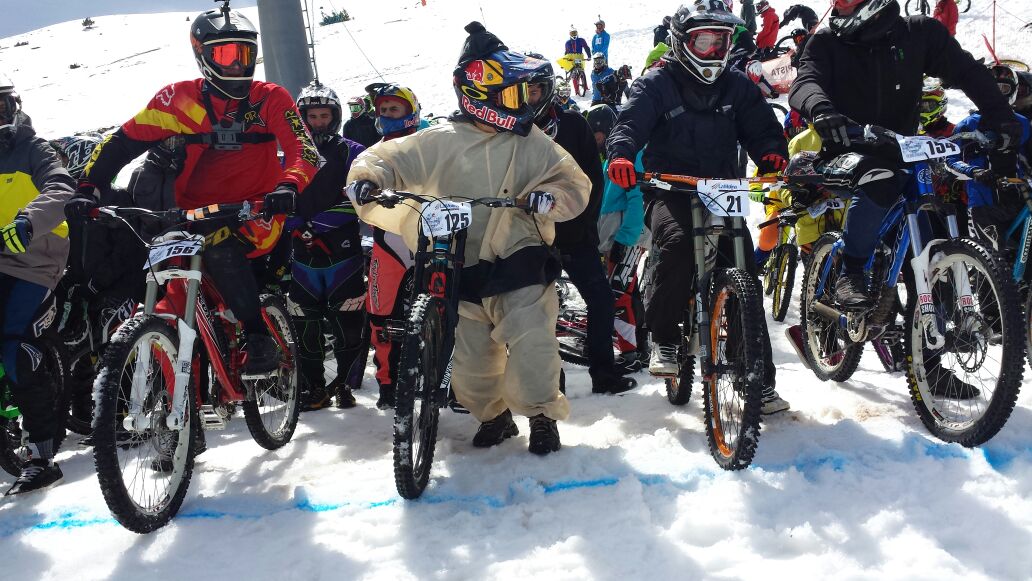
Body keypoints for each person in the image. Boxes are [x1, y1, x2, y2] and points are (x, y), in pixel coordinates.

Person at [347, 22, 590, 455]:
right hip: (458, 259)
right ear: (480, 94)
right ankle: (493, 416)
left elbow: (573, 185)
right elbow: (387, 159)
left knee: (533, 339)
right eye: (512, 95)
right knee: (469, 359)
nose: (523, 105)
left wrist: (548, 198)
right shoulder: (439, 139)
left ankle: (540, 417)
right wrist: (369, 179)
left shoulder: (533, 143)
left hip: (520, 254)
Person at [66, 3, 318, 377]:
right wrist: (88, 187)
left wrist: (288, 184)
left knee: (217, 242)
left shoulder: (270, 98)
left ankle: (256, 335)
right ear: (202, 55)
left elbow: (304, 150)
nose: (237, 65)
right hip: (186, 216)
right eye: (225, 54)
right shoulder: (177, 99)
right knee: (149, 264)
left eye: (245, 53)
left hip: (256, 212)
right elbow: (121, 143)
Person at [606, 2, 791, 414]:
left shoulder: (737, 85)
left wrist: (772, 153)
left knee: (743, 271)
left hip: (721, 188)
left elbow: (762, 127)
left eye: (720, 41)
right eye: (703, 41)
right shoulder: (656, 83)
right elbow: (630, 123)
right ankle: (666, 339)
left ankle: (758, 378)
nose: (712, 51)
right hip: (669, 186)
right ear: (682, 41)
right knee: (675, 243)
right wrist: (620, 154)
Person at [788, 0, 1021, 312]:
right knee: (880, 176)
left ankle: (928, 332)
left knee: (929, 218)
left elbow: (967, 72)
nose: (838, 6)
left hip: (902, 150)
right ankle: (851, 272)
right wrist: (822, 110)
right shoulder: (826, 41)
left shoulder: (918, 32)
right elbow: (805, 82)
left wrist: (1001, 117)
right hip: (846, 149)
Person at [525, 54, 636, 394]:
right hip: (529, 239)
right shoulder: (510, 129)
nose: (530, 98)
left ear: (547, 89)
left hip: (574, 236)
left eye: (535, 90)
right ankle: (548, 387)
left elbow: (593, 179)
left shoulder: (574, 123)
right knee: (535, 313)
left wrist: (586, 224)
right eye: (523, 91)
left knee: (601, 301)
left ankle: (604, 375)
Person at [0, 72, 75, 495]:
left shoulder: (33, 148)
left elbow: (61, 186)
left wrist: (29, 222)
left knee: (16, 341)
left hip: (33, 259)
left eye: (0, 107)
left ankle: (42, 455)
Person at [290, 81, 367, 411]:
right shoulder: (286, 152)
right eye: (312, 116)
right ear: (301, 118)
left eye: (324, 115)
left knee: (347, 324)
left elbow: (363, 197)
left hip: (343, 252)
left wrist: (317, 224)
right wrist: (295, 224)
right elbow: (273, 197)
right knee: (305, 327)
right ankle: (314, 389)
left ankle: (346, 386)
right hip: (300, 257)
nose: (318, 122)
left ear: (335, 117)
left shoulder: (354, 151)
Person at [365, 83, 422, 410]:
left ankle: (452, 380)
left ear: (410, 111)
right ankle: (387, 383)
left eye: (394, 110)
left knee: (450, 310)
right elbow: (358, 179)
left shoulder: (430, 144)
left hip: (429, 238)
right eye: (383, 110)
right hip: (388, 243)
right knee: (380, 318)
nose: (387, 116)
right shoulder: (372, 153)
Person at [589, 103, 650, 371]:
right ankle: (639, 347)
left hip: (628, 237)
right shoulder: (607, 159)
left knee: (618, 294)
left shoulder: (631, 155)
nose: (595, 140)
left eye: (597, 133)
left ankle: (630, 355)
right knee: (626, 291)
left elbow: (637, 198)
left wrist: (625, 242)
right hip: (615, 238)